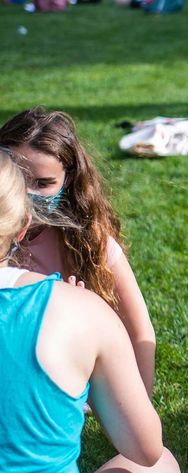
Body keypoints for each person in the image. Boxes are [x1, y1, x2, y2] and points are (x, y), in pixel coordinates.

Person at [0, 150, 185, 473]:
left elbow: (143, 330)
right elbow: (144, 449)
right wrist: (92, 357)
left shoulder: (95, 244)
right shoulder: (79, 311)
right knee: (159, 469)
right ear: (21, 223)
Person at [0, 108, 158, 396]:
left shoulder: (89, 242)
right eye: (18, 179)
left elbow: (140, 332)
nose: (26, 194)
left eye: (43, 184)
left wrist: (140, 408)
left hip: (65, 384)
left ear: (69, 180)